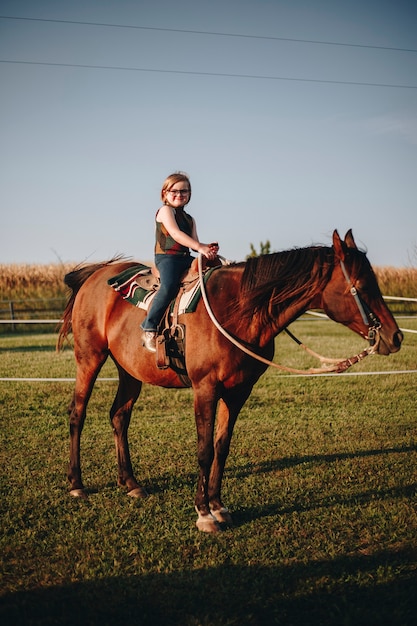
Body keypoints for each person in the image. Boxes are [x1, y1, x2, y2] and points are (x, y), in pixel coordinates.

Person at [141, 172, 219, 352]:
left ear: (190, 194)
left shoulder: (190, 219)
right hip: (167, 258)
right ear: (164, 193)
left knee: (215, 274)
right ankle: (149, 327)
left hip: (185, 258)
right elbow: (176, 235)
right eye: (174, 190)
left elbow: (193, 244)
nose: (179, 194)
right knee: (168, 286)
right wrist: (200, 247)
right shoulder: (165, 211)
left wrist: (207, 249)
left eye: (184, 191)